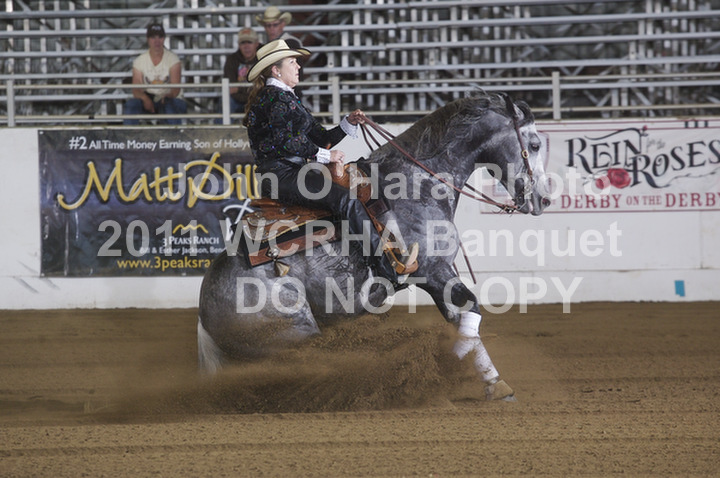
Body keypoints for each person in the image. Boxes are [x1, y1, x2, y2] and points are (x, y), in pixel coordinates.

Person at [243, 40, 418, 285]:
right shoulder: (275, 100)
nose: (298, 67)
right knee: (347, 200)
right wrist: (326, 156)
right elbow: (287, 143)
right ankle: (386, 268)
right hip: (282, 175)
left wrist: (348, 124)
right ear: (276, 70)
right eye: (292, 62)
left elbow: (320, 137)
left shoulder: (284, 98)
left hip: (289, 172)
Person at [123, 23, 187, 125]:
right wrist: (145, 99)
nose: (157, 41)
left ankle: (173, 134)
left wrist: (166, 97)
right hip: (150, 97)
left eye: (160, 37)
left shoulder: (173, 59)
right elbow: (136, 89)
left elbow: (175, 90)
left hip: (171, 99)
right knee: (131, 105)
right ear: (148, 39)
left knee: (169, 105)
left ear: (164, 39)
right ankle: (129, 134)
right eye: (153, 37)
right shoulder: (139, 61)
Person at [217, 27, 259, 123]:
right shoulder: (232, 60)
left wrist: (239, 89)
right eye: (243, 43)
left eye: (249, 42)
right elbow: (230, 88)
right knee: (225, 101)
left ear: (256, 44)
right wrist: (251, 90)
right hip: (238, 100)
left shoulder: (262, 58)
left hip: (256, 99)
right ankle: (221, 131)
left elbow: (262, 88)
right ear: (239, 45)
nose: (246, 46)